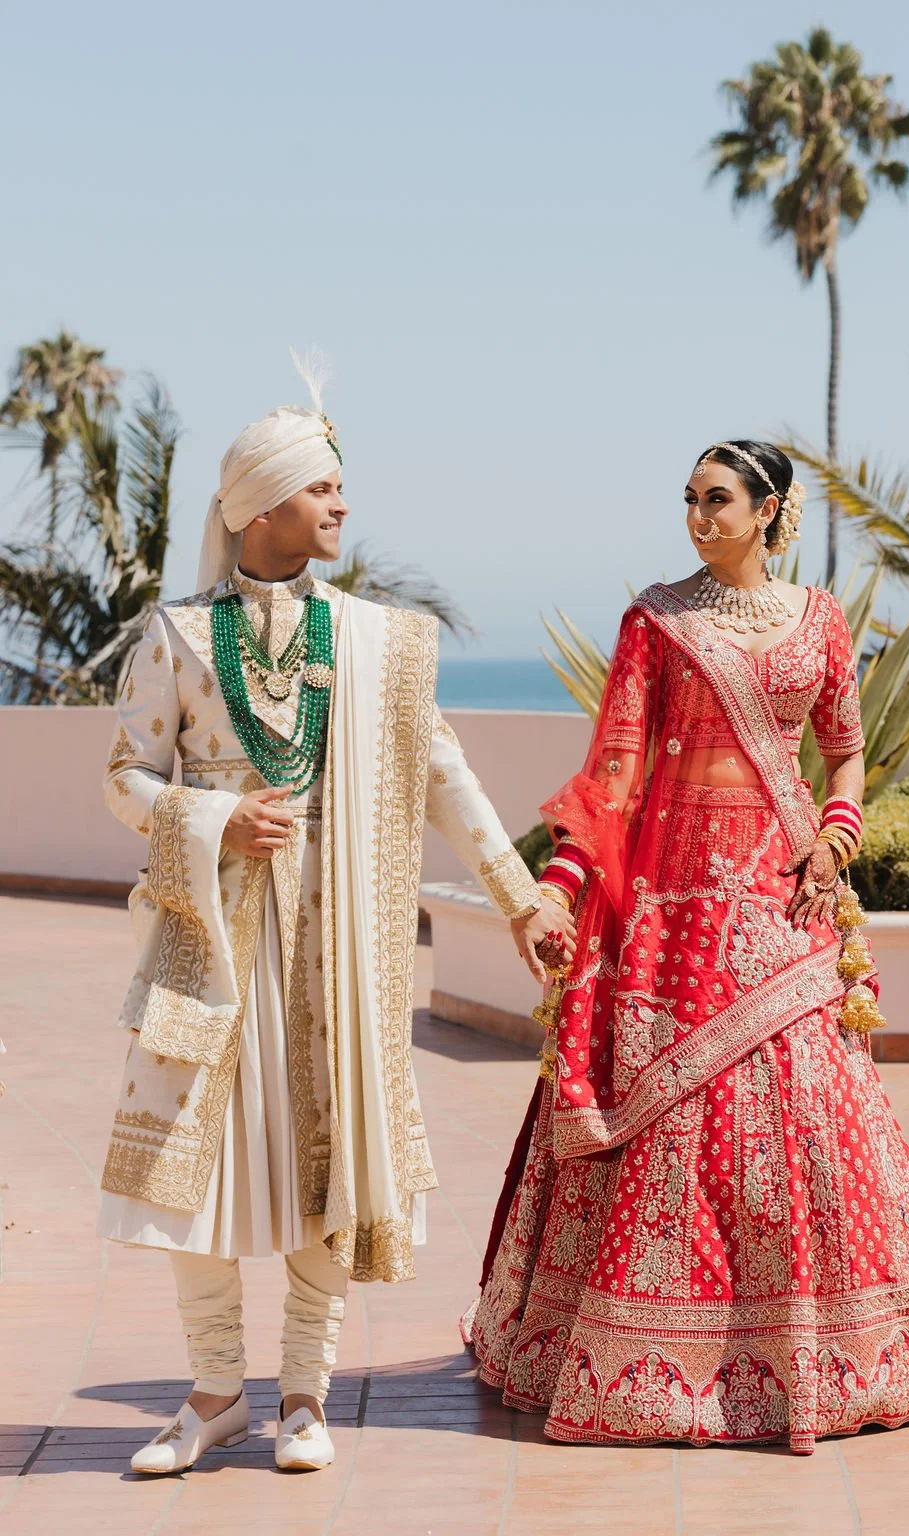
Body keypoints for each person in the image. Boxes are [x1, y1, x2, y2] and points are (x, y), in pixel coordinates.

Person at [467, 440, 909, 1453]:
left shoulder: (822, 621)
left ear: (768, 511)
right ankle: (658, 1364)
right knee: (667, 1131)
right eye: (688, 500)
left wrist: (837, 837)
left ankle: (843, 1356)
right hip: (672, 920)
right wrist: (559, 886)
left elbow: (843, 750)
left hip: (785, 899)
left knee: (812, 1113)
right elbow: (612, 776)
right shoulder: (655, 623)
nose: (697, 517)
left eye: (717, 500)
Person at [97, 377, 574, 1474]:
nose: (340, 506)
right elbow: (126, 776)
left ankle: (303, 1397)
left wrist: (518, 896)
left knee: (331, 1156)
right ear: (260, 505)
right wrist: (214, 816)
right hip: (210, 938)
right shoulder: (176, 636)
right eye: (321, 486)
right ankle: (216, 1394)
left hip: (340, 939)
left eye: (339, 487)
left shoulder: (377, 643)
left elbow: (442, 772)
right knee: (192, 1164)